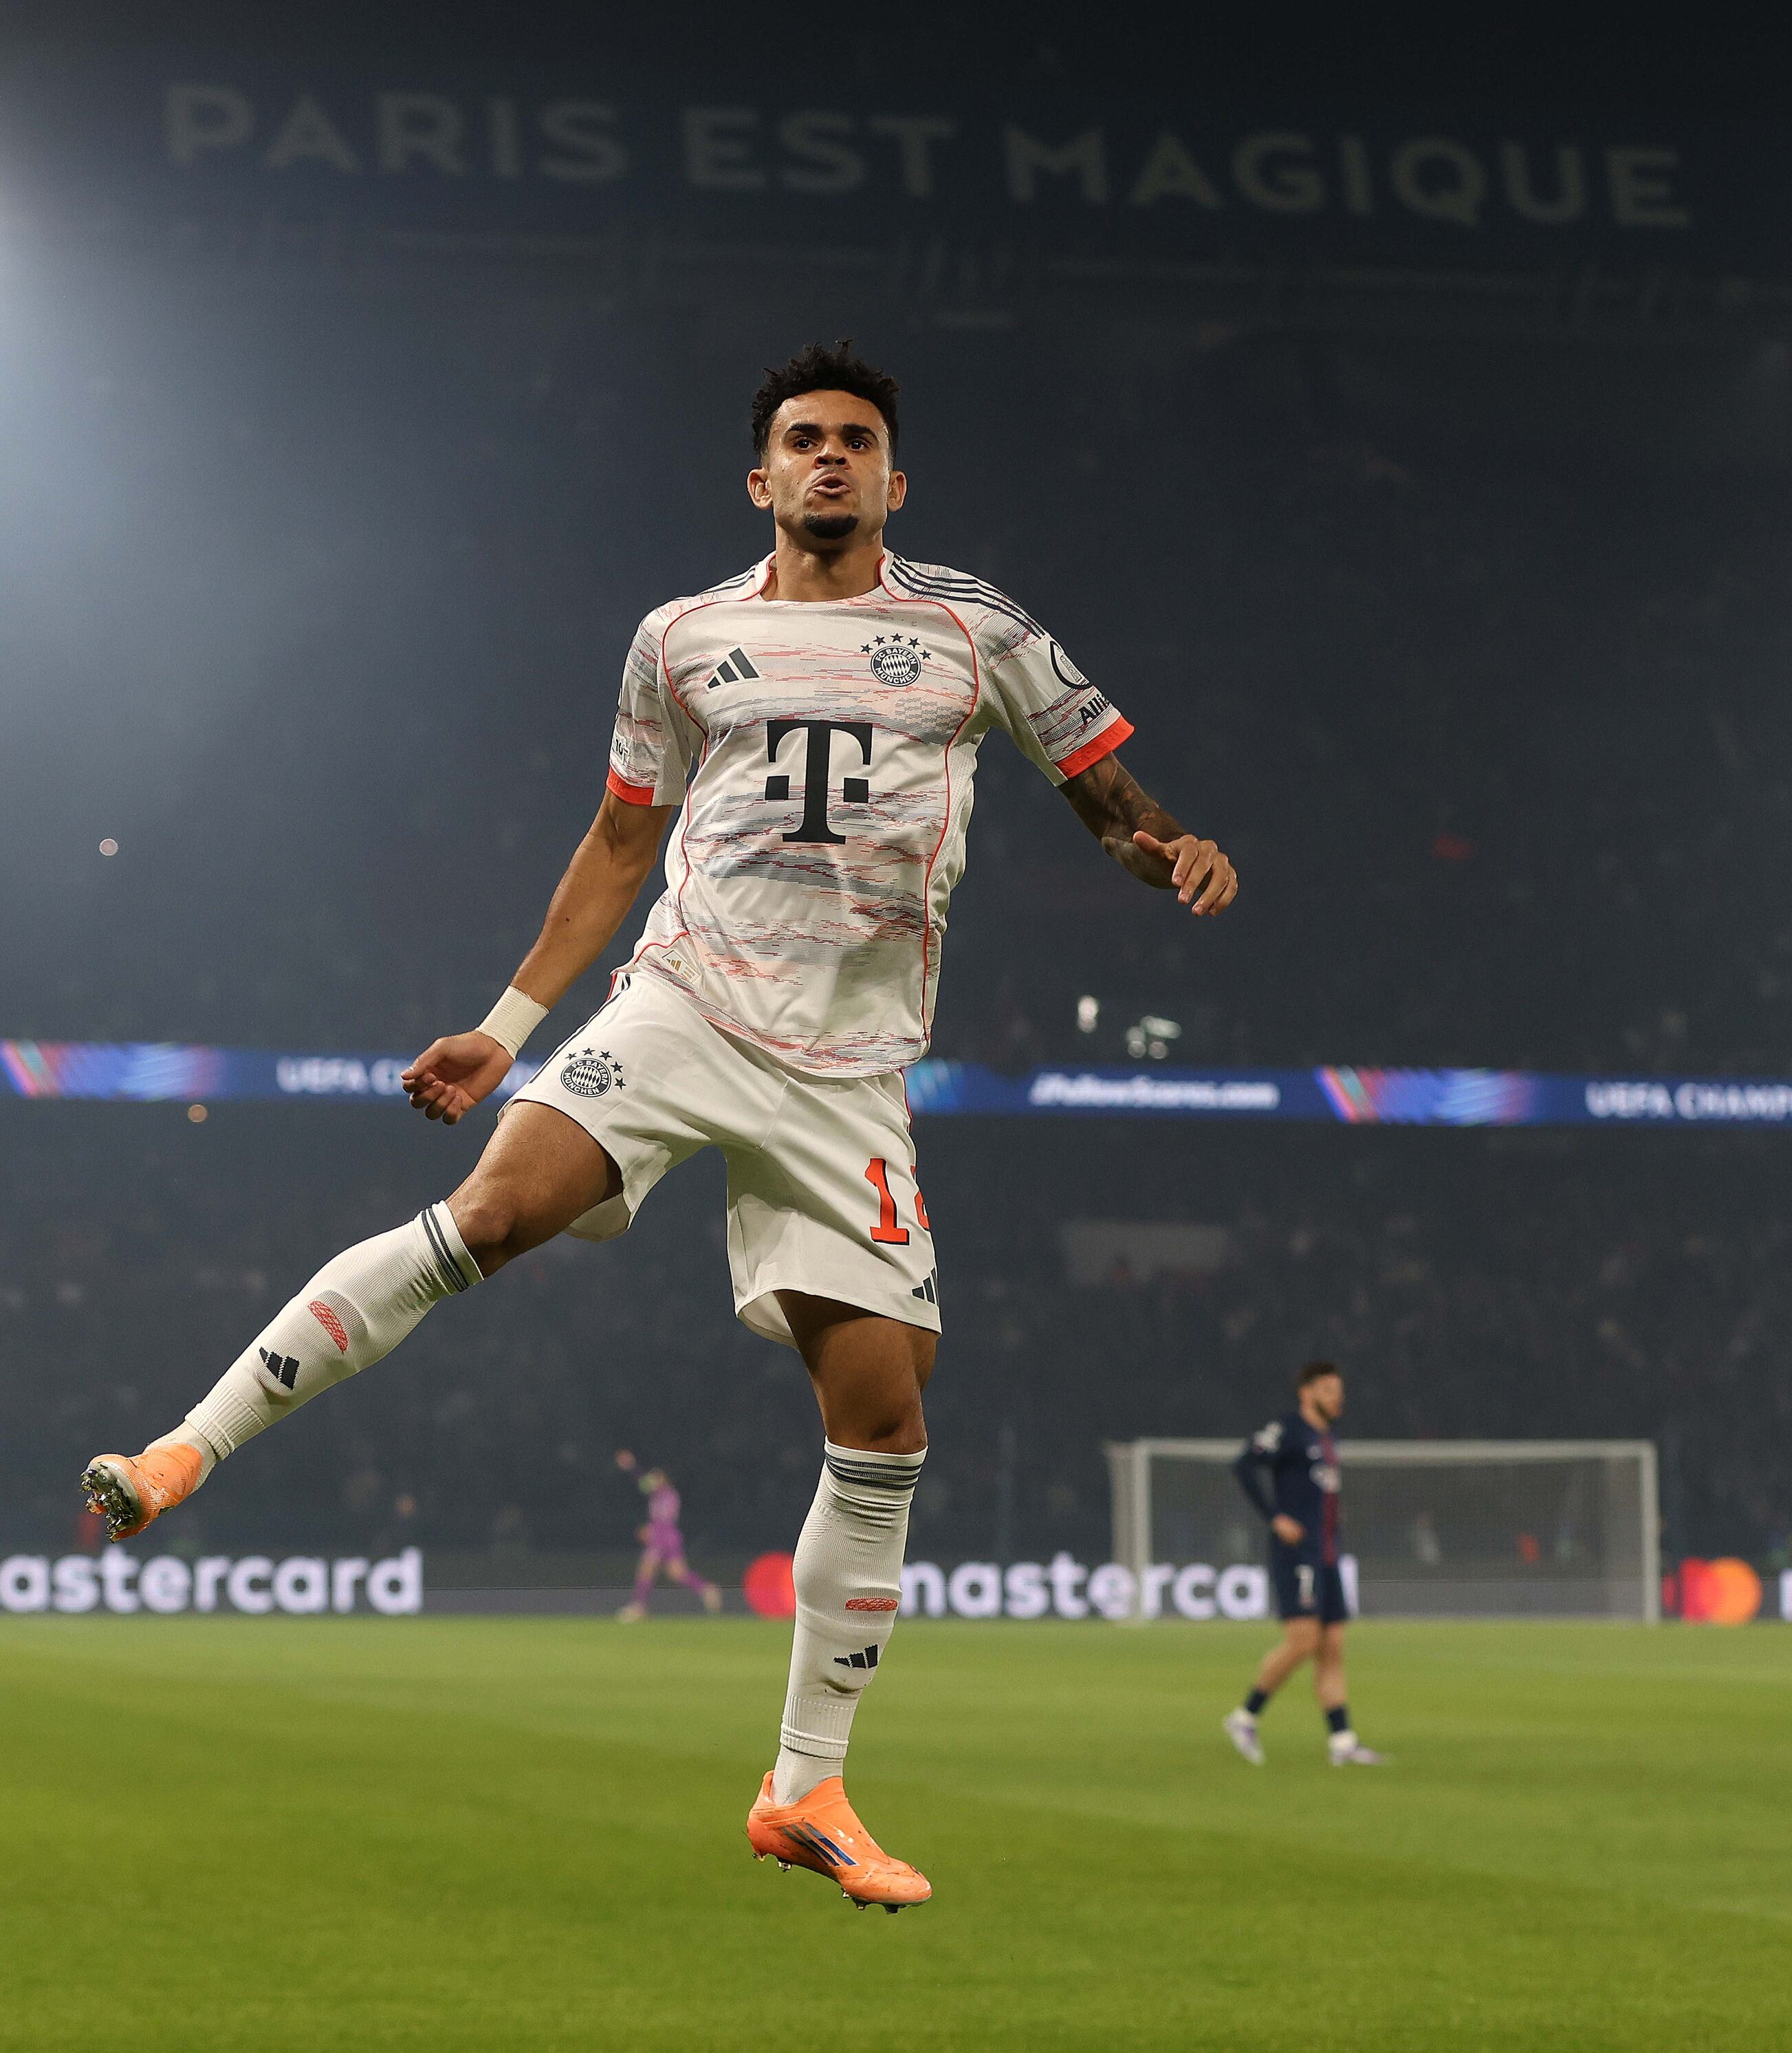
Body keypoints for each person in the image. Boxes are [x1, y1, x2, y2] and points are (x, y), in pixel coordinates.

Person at [80, 340, 1239, 1911]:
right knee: (491, 1214)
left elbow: (1105, 790)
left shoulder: (975, 631)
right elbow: (622, 842)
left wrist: (1169, 848)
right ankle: (180, 1450)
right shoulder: (683, 639)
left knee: (886, 1419)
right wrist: (504, 1027)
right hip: (685, 1004)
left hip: (852, 1067)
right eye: (800, 440)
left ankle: (805, 1785)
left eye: (855, 442)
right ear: (758, 477)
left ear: (895, 480)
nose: (828, 459)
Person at [1221, 1362, 1383, 1768]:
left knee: (1333, 1649)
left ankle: (1343, 1742)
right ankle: (1244, 1718)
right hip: (1298, 1556)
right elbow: (1244, 1464)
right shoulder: (1289, 1430)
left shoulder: (1327, 1437)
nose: (1337, 1398)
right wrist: (1274, 1516)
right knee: (1303, 1643)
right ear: (1306, 1393)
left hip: (1327, 1555)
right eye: (1328, 1390)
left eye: (1339, 1391)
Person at [615, 1449, 719, 1619]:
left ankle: (639, 1607)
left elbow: (663, 1520)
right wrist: (631, 1467)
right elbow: (643, 1484)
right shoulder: (661, 1495)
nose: (652, 1481)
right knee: (677, 1573)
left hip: (664, 1537)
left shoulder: (666, 1495)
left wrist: (650, 1531)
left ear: (663, 1479)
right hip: (670, 1537)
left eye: (656, 1478)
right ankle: (706, 1589)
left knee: (647, 1568)